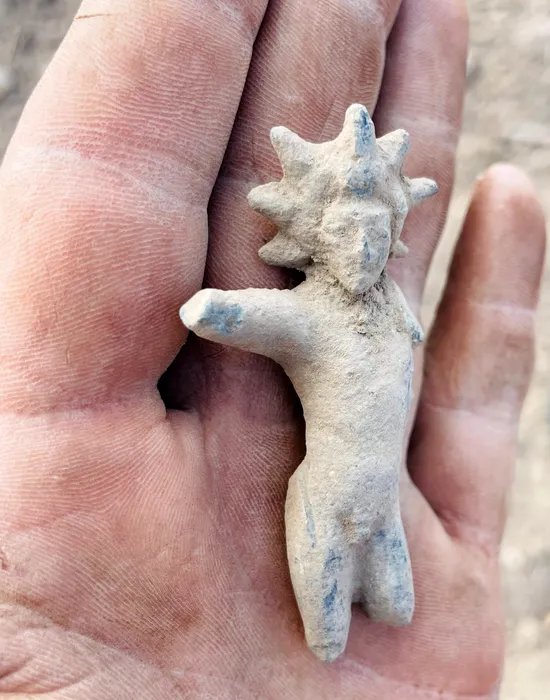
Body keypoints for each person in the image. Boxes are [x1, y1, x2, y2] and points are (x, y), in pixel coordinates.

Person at [0, 0, 545, 697]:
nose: (365, 250)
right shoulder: (312, 318)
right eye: (348, 235)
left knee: (399, 609)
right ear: (318, 240)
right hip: (325, 501)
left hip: (384, 507)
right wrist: (216, 310)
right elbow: (249, 315)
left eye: (377, 236)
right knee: (329, 636)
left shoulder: (389, 311)